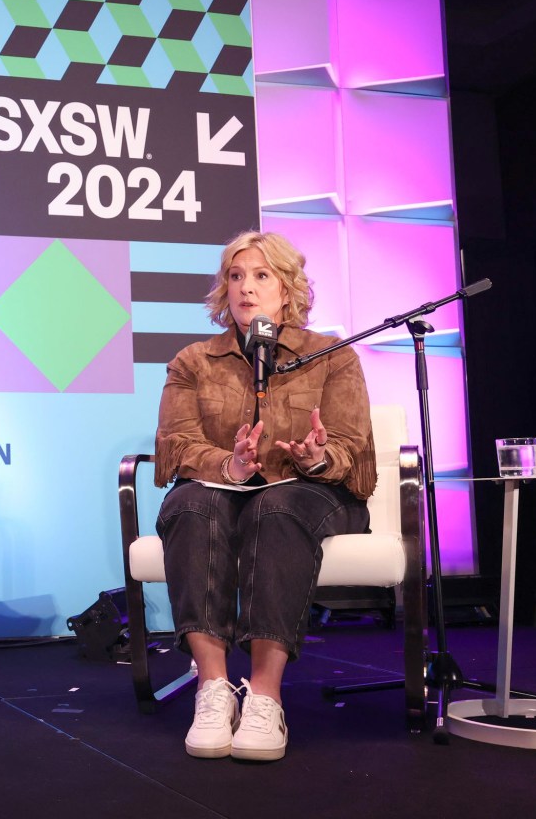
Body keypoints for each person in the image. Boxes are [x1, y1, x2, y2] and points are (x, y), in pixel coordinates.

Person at [153, 230, 375, 762]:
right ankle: (212, 689)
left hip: (312, 493)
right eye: (235, 276)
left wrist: (315, 456)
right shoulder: (194, 361)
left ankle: (265, 696)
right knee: (189, 504)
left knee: (274, 508)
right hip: (221, 490)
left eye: (260, 275)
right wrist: (226, 464)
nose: (245, 288)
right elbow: (175, 443)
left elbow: (352, 446)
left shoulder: (331, 356)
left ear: (287, 288)